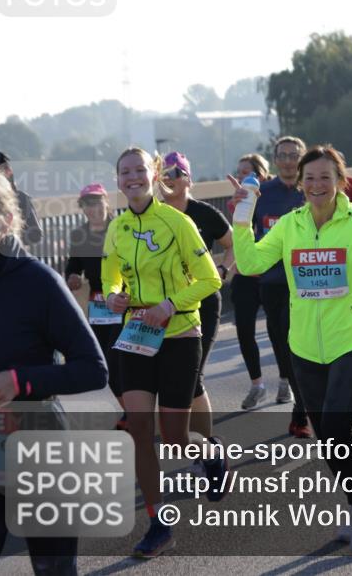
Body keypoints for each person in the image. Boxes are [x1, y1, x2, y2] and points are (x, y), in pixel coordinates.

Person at [231, 145, 352, 551]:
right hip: (305, 345)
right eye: (308, 178)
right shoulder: (290, 225)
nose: (315, 185)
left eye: (324, 177)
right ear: (299, 183)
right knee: (326, 437)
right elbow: (251, 264)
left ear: (340, 181)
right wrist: (242, 217)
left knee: (336, 427)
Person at [0, 167, 108, 576]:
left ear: (6, 218)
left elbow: (93, 369)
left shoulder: (37, 281)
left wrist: (19, 381)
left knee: (54, 570)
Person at [101, 147, 227, 558]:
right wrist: (115, 297)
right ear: (118, 180)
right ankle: (158, 523)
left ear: (154, 175)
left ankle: (210, 453)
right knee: (139, 430)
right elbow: (110, 280)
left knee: (174, 438)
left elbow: (210, 279)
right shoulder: (117, 226)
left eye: (140, 170)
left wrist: (170, 305)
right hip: (136, 336)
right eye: (125, 172)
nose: (132, 177)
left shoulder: (178, 222)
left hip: (178, 335)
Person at [161, 152, 235, 443]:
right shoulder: (154, 215)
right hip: (164, 306)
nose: (169, 178)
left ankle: (207, 450)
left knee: (192, 377)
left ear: (188, 179)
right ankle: (188, 442)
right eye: (163, 173)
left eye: (175, 173)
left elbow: (233, 246)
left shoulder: (204, 214)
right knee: (170, 380)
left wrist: (222, 269)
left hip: (202, 303)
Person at [252, 136, 311, 435]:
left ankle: (301, 412)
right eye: (283, 156)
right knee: (281, 345)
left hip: (307, 282)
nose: (288, 161)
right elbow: (248, 231)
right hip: (273, 282)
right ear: (275, 160)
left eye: (293, 155)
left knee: (300, 344)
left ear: (301, 159)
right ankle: (295, 391)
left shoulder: (312, 190)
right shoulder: (263, 193)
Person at [65, 182, 124, 417]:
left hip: (123, 299)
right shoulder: (79, 234)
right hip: (98, 303)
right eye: (87, 205)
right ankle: (128, 410)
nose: (93, 209)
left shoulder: (120, 227)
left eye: (97, 203)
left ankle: (137, 408)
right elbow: (74, 264)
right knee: (106, 363)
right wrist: (72, 275)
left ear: (106, 202)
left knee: (121, 356)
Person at [229, 153, 273, 409]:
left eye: (247, 172)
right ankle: (257, 385)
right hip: (246, 276)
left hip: (271, 276)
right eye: (239, 172)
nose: (241, 177)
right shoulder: (238, 201)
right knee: (244, 331)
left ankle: (286, 381)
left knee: (278, 332)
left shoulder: (275, 198)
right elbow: (238, 238)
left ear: (261, 174)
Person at [0, 150, 43, 248]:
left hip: (12, 258)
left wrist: (8, 237)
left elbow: (35, 235)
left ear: (8, 172)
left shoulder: (20, 198)